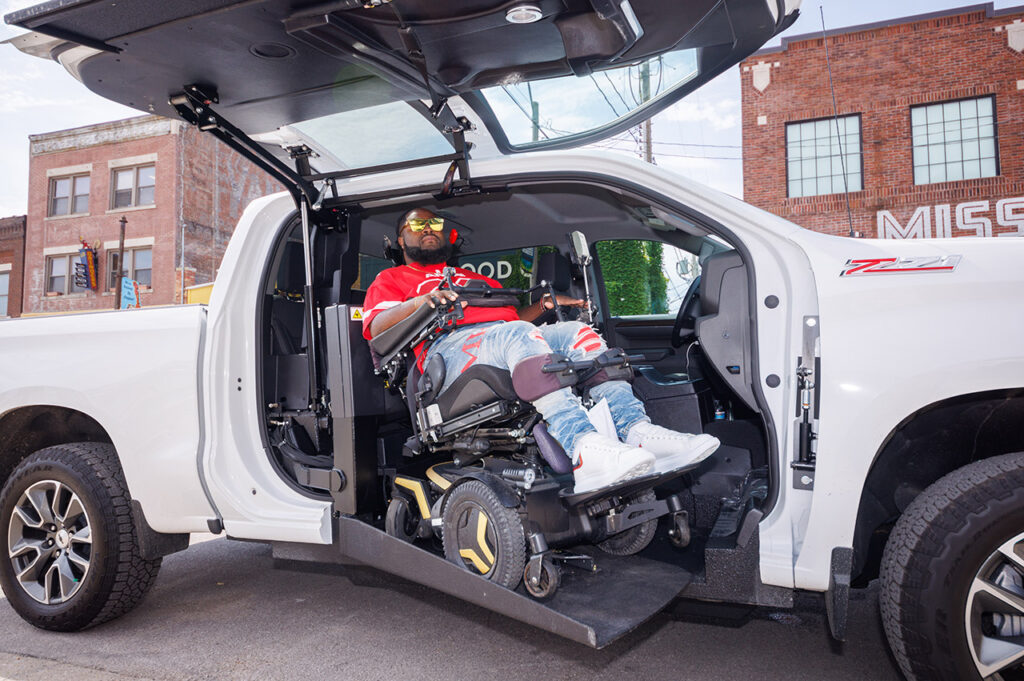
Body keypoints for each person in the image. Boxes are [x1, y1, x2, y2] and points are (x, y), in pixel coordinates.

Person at [363, 208, 719, 494]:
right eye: (417, 223)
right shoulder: (390, 281)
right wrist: (422, 302)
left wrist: (545, 303)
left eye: (435, 222)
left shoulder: (474, 280)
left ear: (446, 233)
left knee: (580, 334)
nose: (428, 227)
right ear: (401, 238)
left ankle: (637, 432)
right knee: (515, 335)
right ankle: (582, 447)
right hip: (447, 355)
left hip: (500, 336)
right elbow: (377, 329)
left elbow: (513, 320)